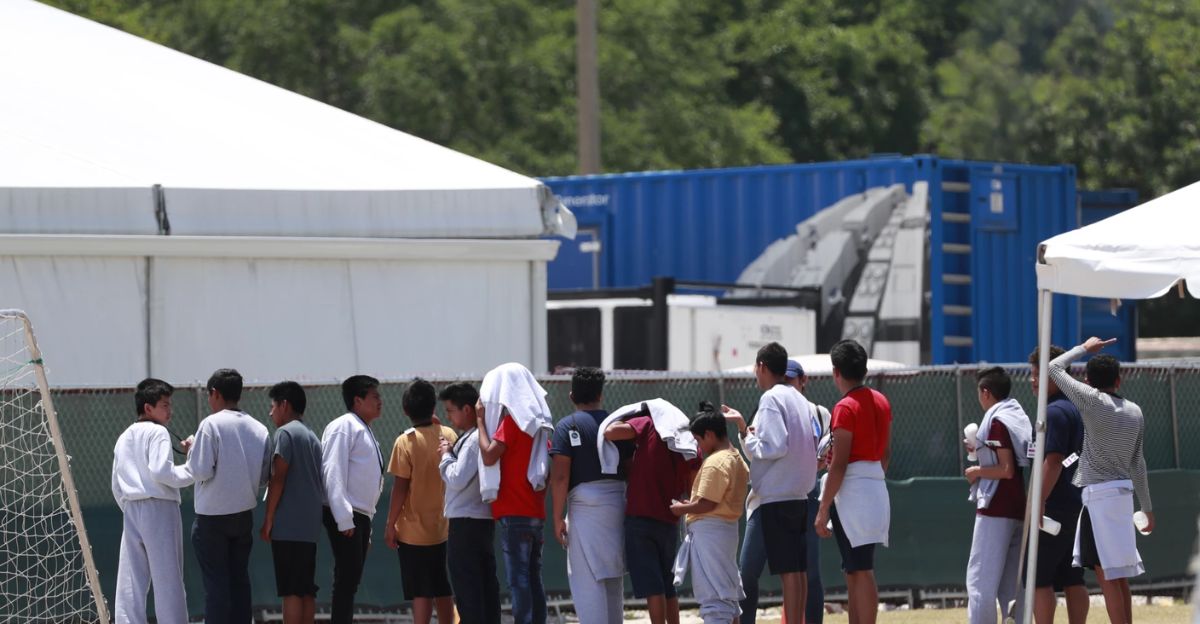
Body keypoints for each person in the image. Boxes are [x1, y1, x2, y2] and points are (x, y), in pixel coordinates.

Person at [1049, 337, 1153, 624]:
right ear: (1118, 381)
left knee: (1105, 572)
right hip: (1123, 497)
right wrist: (1147, 507)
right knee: (1119, 573)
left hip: (1098, 498)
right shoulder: (1135, 411)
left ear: (1088, 381)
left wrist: (1084, 348)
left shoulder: (1092, 400)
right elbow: (1138, 463)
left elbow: (1053, 368)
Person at [723, 343, 818, 624]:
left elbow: (773, 446)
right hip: (799, 494)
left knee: (788, 572)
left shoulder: (771, 398)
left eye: (756, 367)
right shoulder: (799, 398)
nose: (755, 373)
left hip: (777, 496)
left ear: (762, 366)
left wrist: (746, 434)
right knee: (797, 571)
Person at [814, 340, 891, 624]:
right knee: (855, 568)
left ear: (836, 372)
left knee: (860, 568)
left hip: (853, 494)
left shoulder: (845, 407)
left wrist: (823, 508)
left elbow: (839, 464)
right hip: (875, 487)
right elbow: (886, 454)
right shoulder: (881, 401)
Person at [186, 368, 271, 624]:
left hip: (212, 518)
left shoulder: (211, 424)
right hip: (243, 515)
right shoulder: (259, 428)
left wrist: (192, 451)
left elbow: (200, 470)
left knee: (216, 586)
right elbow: (264, 477)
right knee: (240, 582)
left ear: (215, 393)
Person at [603, 401, 700, 624]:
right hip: (670, 519)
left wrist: (627, 419)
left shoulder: (648, 424)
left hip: (641, 518)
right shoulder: (685, 440)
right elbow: (692, 479)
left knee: (652, 585)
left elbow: (610, 432)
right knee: (668, 582)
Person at [549, 367, 628, 624]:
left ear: (572, 396)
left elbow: (560, 476)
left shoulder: (567, 425)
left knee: (587, 580)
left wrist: (557, 517)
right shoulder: (618, 425)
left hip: (585, 506)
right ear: (600, 395)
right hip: (618, 503)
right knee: (613, 577)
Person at [111, 378, 193, 624]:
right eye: (165, 405)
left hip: (131, 508)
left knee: (130, 580)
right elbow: (161, 472)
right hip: (160, 507)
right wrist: (193, 468)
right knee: (168, 578)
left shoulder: (124, 436)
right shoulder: (159, 432)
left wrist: (131, 506)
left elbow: (116, 483)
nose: (170, 411)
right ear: (148, 408)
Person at [476, 364, 553, 624]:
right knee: (533, 577)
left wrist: (480, 421)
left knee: (518, 579)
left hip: (513, 511)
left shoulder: (512, 423)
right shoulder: (540, 425)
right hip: (535, 512)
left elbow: (489, 456)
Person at [384, 379, 457, 624]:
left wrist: (390, 524)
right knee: (443, 586)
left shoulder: (405, 442)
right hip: (444, 528)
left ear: (405, 410)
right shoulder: (448, 435)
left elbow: (400, 488)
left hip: (412, 532)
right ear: (434, 406)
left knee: (421, 591)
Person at [670, 402, 750, 624]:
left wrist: (682, 508)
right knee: (727, 593)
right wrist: (692, 505)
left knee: (714, 596)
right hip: (726, 531)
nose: (699, 446)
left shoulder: (716, 462)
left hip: (710, 534)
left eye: (698, 440)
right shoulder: (736, 458)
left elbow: (707, 504)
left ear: (709, 434)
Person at [964, 367, 1032, 624]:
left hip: (995, 507)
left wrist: (976, 471)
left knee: (979, 583)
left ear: (986, 392)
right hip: (1017, 506)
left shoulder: (996, 421)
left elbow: (1006, 469)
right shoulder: (1015, 414)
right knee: (1011, 588)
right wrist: (980, 450)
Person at [1029, 347, 1088, 624]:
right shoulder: (1078, 408)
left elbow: (1053, 461)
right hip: (1076, 502)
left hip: (1053, 506)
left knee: (1038, 578)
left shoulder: (1053, 412)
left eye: (1038, 374)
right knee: (1073, 577)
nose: (1033, 380)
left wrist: (1038, 501)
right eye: (1032, 374)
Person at [322, 375, 386, 624]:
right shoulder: (344, 426)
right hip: (347, 514)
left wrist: (365, 526)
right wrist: (343, 517)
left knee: (350, 580)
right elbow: (333, 470)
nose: (380, 401)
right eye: (374, 396)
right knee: (346, 579)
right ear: (357, 400)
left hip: (360, 515)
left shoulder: (363, 428)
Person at [437, 382, 502, 624]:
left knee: (469, 590)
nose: (448, 416)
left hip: (466, 524)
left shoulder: (474, 439)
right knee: (483, 588)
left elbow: (457, 478)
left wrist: (445, 455)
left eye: (450, 410)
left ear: (466, 409)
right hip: (479, 522)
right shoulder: (475, 436)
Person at [260, 381, 324, 624]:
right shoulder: (312, 436)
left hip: (288, 526)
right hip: (309, 527)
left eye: (273, 406)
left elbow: (278, 478)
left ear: (284, 405)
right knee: (306, 589)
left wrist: (268, 518)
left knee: (291, 590)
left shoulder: (285, 433)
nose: (271, 413)